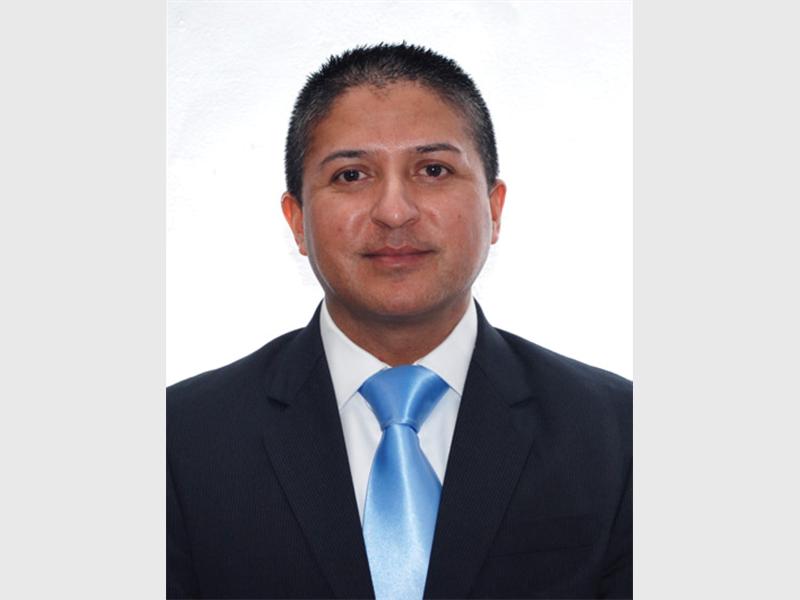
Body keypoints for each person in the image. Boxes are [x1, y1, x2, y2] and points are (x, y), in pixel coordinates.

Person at [167, 43, 632, 599]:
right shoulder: (178, 442)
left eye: (433, 170)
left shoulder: (621, 434)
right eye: (351, 175)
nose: (394, 211)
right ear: (297, 220)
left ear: (494, 208)